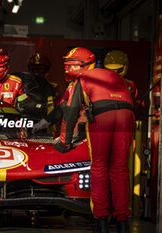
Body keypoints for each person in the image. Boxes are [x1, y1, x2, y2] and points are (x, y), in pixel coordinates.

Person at [52, 47, 135, 233]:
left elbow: (71, 111)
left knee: (99, 167)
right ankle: (123, 222)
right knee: (120, 169)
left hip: (102, 115)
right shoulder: (116, 76)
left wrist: (64, 142)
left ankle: (101, 221)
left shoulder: (83, 79)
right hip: (127, 115)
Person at [13, 53, 57, 133]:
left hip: (45, 126)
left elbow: (56, 111)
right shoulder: (20, 85)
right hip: (23, 123)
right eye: (34, 69)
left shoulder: (53, 87)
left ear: (47, 70)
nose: (37, 72)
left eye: (40, 69)